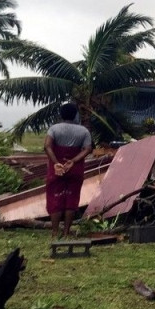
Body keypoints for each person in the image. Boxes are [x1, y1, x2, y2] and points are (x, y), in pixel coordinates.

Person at [44, 102, 93, 239]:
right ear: (75, 115)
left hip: (57, 169)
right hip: (75, 169)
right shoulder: (84, 131)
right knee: (72, 199)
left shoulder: (54, 129)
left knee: (55, 198)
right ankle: (66, 232)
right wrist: (73, 161)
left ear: (61, 114)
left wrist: (56, 163)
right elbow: (88, 149)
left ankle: (54, 232)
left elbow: (47, 146)